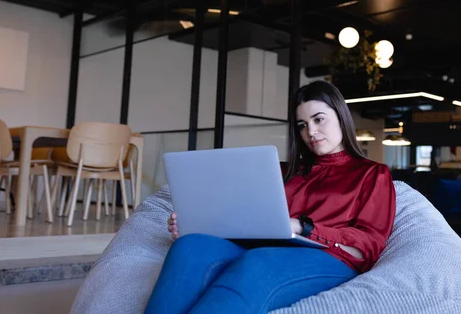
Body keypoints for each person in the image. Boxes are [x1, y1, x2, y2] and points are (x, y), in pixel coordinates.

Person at [145, 80, 396, 314]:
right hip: (263, 247)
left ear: (342, 118)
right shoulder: (281, 169)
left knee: (258, 262)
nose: (311, 131)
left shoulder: (372, 173)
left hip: (330, 257)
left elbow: (369, 243)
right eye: (302, 125)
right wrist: (196, 222)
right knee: (190, 246)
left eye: (319, 120)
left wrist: (304, 227)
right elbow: (242, 213)